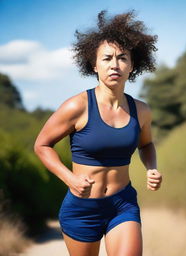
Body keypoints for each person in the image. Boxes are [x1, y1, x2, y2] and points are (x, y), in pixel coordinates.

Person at [34, 9, 163, 256]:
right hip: (81, 209)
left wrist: (152, 167)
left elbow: (146, 145)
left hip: (122, 205)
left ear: (132, 65)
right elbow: (42, 145)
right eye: (107, 58)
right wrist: (69, 178)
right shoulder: (77, 106)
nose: (115, 64)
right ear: (94, 64)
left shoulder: (142, 110)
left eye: (122, 58)